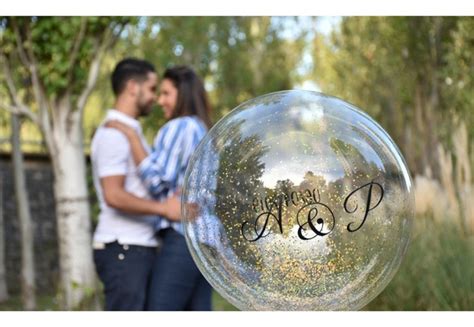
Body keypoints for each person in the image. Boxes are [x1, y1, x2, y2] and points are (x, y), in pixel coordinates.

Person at [106, 65, 213, 310]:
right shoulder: (202, 128)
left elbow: (156, 181)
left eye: (166, 93)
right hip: (205, 241)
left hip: (182, 237)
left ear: (182, 94)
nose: (160, 100)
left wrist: (132, 137)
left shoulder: (180, 127)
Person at [91, 58, 181, 311]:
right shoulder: (112, 134)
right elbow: (114, 195)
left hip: (136, 248)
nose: (154, 97)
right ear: (133, 87)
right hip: (124, 249)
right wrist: (164, 209)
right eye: (152, 89)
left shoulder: (129, 131)